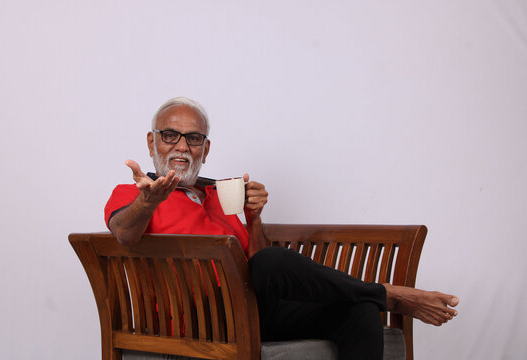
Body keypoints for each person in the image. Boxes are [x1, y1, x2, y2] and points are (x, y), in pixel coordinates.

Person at [105, 97, 459, 360]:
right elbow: (123, 233)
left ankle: (374, 298)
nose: (182, 146)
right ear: (152, 142)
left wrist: (254, 218)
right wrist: (148, 202)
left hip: (252, 310)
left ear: (205, 148)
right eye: (170, 135)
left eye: (194, 139)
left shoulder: (217, 194)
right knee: (274, 262)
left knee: (359, 313)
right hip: (201, 321)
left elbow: (260, 269)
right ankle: (388, 294)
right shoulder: (133, 195)